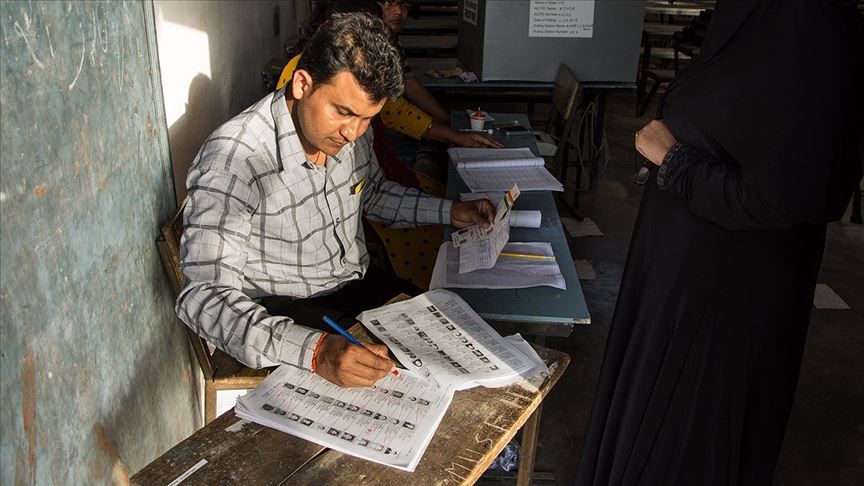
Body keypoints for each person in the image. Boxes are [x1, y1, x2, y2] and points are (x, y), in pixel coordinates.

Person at [575, 1, 862, 485]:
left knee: (689, 434)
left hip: (725, 295)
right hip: (684, 276)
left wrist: (675, 161)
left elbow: (783, 198)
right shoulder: (755, 15)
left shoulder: (808, 25)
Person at [176, 13, 495, 389]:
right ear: (302, 84)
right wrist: (314, 351)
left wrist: (450, 211)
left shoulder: (354, 133)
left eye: (366, 118)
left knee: (456, 346)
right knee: (407, 386)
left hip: (354, 286)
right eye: (343, 112)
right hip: (285, 308)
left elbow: (372, 193)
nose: (352, 132)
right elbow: (203, 297)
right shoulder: (234, 159)